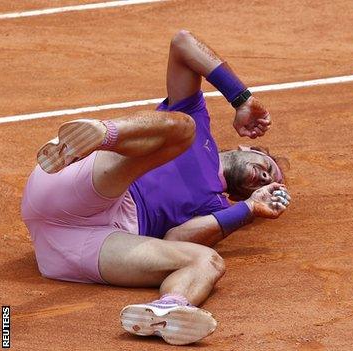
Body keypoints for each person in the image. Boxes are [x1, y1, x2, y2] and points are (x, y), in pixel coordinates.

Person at [20, 30, 291, 346]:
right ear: (247, 149)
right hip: (77, 187)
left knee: (208, 261)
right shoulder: (200, 126)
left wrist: (246, 209)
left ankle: (166, 310)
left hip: (76, 247)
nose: (264, 178)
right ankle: (97, 137)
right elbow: (183, 43)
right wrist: (241, 98)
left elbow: (176, 238)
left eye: (268, 182)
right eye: (268, 168)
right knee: (182, 128)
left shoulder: (220, 207)